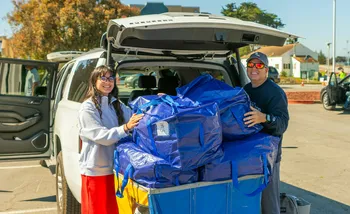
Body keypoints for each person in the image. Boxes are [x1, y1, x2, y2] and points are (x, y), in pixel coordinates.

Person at [78, 65, 143, 214]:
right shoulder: (87, 108)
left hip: (116, 170)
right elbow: (102, 136)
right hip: (96, 172)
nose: (108, 82)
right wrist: (125, 128)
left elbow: (136, 117)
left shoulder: (116, 104)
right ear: (94, 80)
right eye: (103, 78)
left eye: (111, 78)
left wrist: (157, 102)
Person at [243, 52, 289, 214]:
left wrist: (264, 118)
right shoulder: (246, 89)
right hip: (248, 154)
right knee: (249, 200)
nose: (254, 68)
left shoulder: (275, 93)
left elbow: (282, 124)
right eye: (251, 65)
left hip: (268, 157)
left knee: (268, 203)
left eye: (259, 65)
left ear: (266, 70)